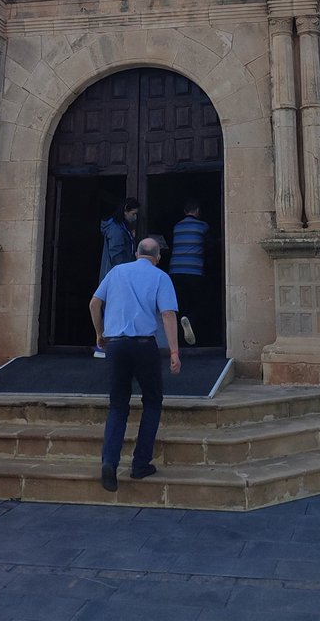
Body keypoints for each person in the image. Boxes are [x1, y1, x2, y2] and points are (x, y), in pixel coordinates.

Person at [89, 237, 180, 491]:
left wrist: (100, 333)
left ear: (137, 253)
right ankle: (140, 464)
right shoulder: (161, 277)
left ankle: (109, 462)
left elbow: (94, 303)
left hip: (115, 345)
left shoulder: (117, 271)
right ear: (157, 256)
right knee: (152, 401)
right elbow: (168, 314)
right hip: (143, 345)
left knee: (118, 404)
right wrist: (174, 351)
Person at [94, 197, 139, 356]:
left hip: (117, 273)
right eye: (133, 214)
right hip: (115, 274)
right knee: (111, 309)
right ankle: (103, 346)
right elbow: (117, 253)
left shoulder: (121, 227)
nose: (135, 217)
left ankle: (107, 346)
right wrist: (124, 274)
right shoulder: (116, 228)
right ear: (125, 210)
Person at [168, 198, 210, 347]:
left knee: (179, 304)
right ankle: (192, 330)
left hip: (175, 271)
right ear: (198, 211)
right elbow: (208, 243)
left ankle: (179, 336)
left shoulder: (177, 227)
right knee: (196, 304)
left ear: (185, 212)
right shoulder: (202, 226)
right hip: (194, 271)